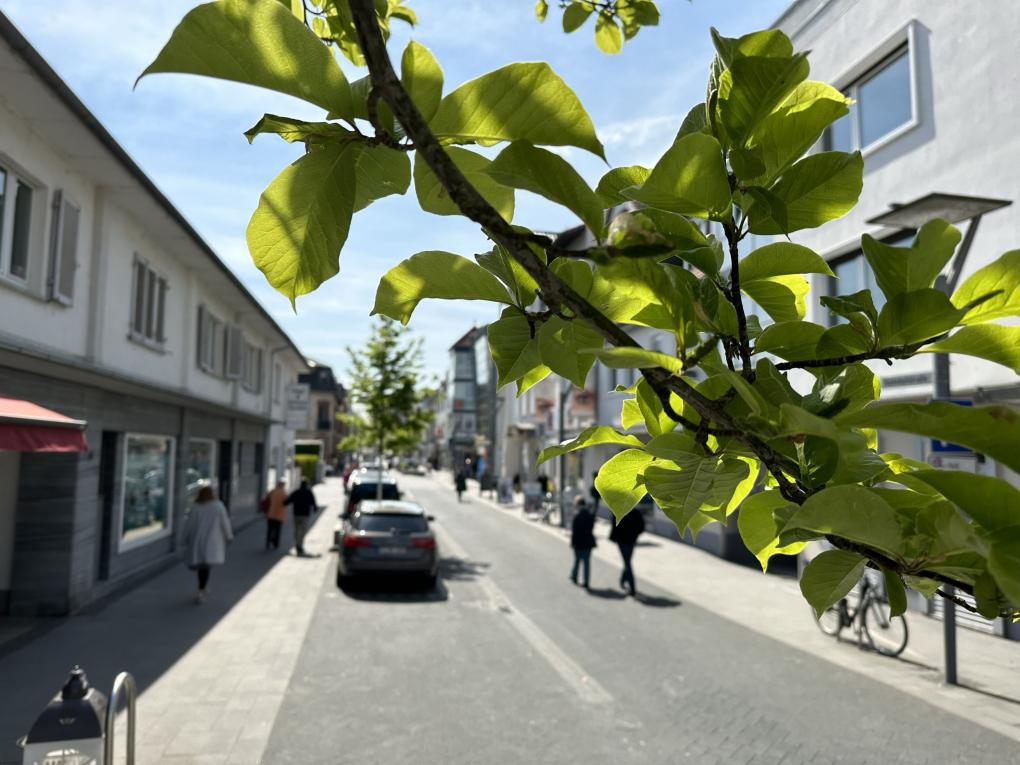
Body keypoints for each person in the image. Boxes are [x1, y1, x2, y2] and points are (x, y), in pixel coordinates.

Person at [184, 485, 233, 603]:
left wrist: (185, 537)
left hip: (198, 540)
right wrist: (229, 536)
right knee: (205, 566)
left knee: (202, 566)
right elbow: (225, 522)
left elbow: (189, 524)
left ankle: (202, 587)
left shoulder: (195, 507)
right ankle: (201, 589)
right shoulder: (218, 506)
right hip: (212, 541)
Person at [610, 507, 645, 596]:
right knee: (627, 562)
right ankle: (624, 581)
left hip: (623, 541)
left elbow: (614, 525)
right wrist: (635, 535)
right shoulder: (635, 512)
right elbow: (641, 526)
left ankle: (631, 587)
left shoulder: (618, 510)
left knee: (627, 563)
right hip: (630, 540)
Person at [285, 480, 318, 556]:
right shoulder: (308, 492)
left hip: (296, 514)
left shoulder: (296, 492)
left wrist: (283, 503)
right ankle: (299, 545)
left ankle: (297, 544)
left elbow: (288, 501)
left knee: (297, 530)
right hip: (305, 515)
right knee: (302, 531)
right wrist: (315, 508)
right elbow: (313, 502)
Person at [569, 496, 596, 589]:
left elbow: (574, 532)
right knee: (586, 562)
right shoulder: (590, 515)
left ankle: (574, 576)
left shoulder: (576, 516)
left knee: (577, 560)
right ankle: (586, 581)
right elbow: (592, 528)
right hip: (588, 542)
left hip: (578, 542)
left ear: (578, 504)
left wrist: (572, 543)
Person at [263, 480, 288, 550]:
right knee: (277, 530)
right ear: (283, 485)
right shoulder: (284, 493)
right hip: (279, 515)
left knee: (270, 529)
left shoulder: (273, 491)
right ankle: (275, 543)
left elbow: (267, 497)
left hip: (271, 514)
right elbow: (286, 502)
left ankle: (268, 542)